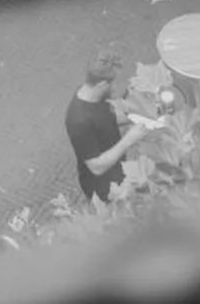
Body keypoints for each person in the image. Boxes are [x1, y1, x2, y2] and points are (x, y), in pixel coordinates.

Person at [65, 47, 151, 201]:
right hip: (104, 188)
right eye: (114, 83)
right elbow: (96, 167)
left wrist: (142, 114)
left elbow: (107, 119)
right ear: (103, 84)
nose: (116, 87)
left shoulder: (94, 96)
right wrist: (129, 140)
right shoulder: (78, 122)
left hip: (118, 170)